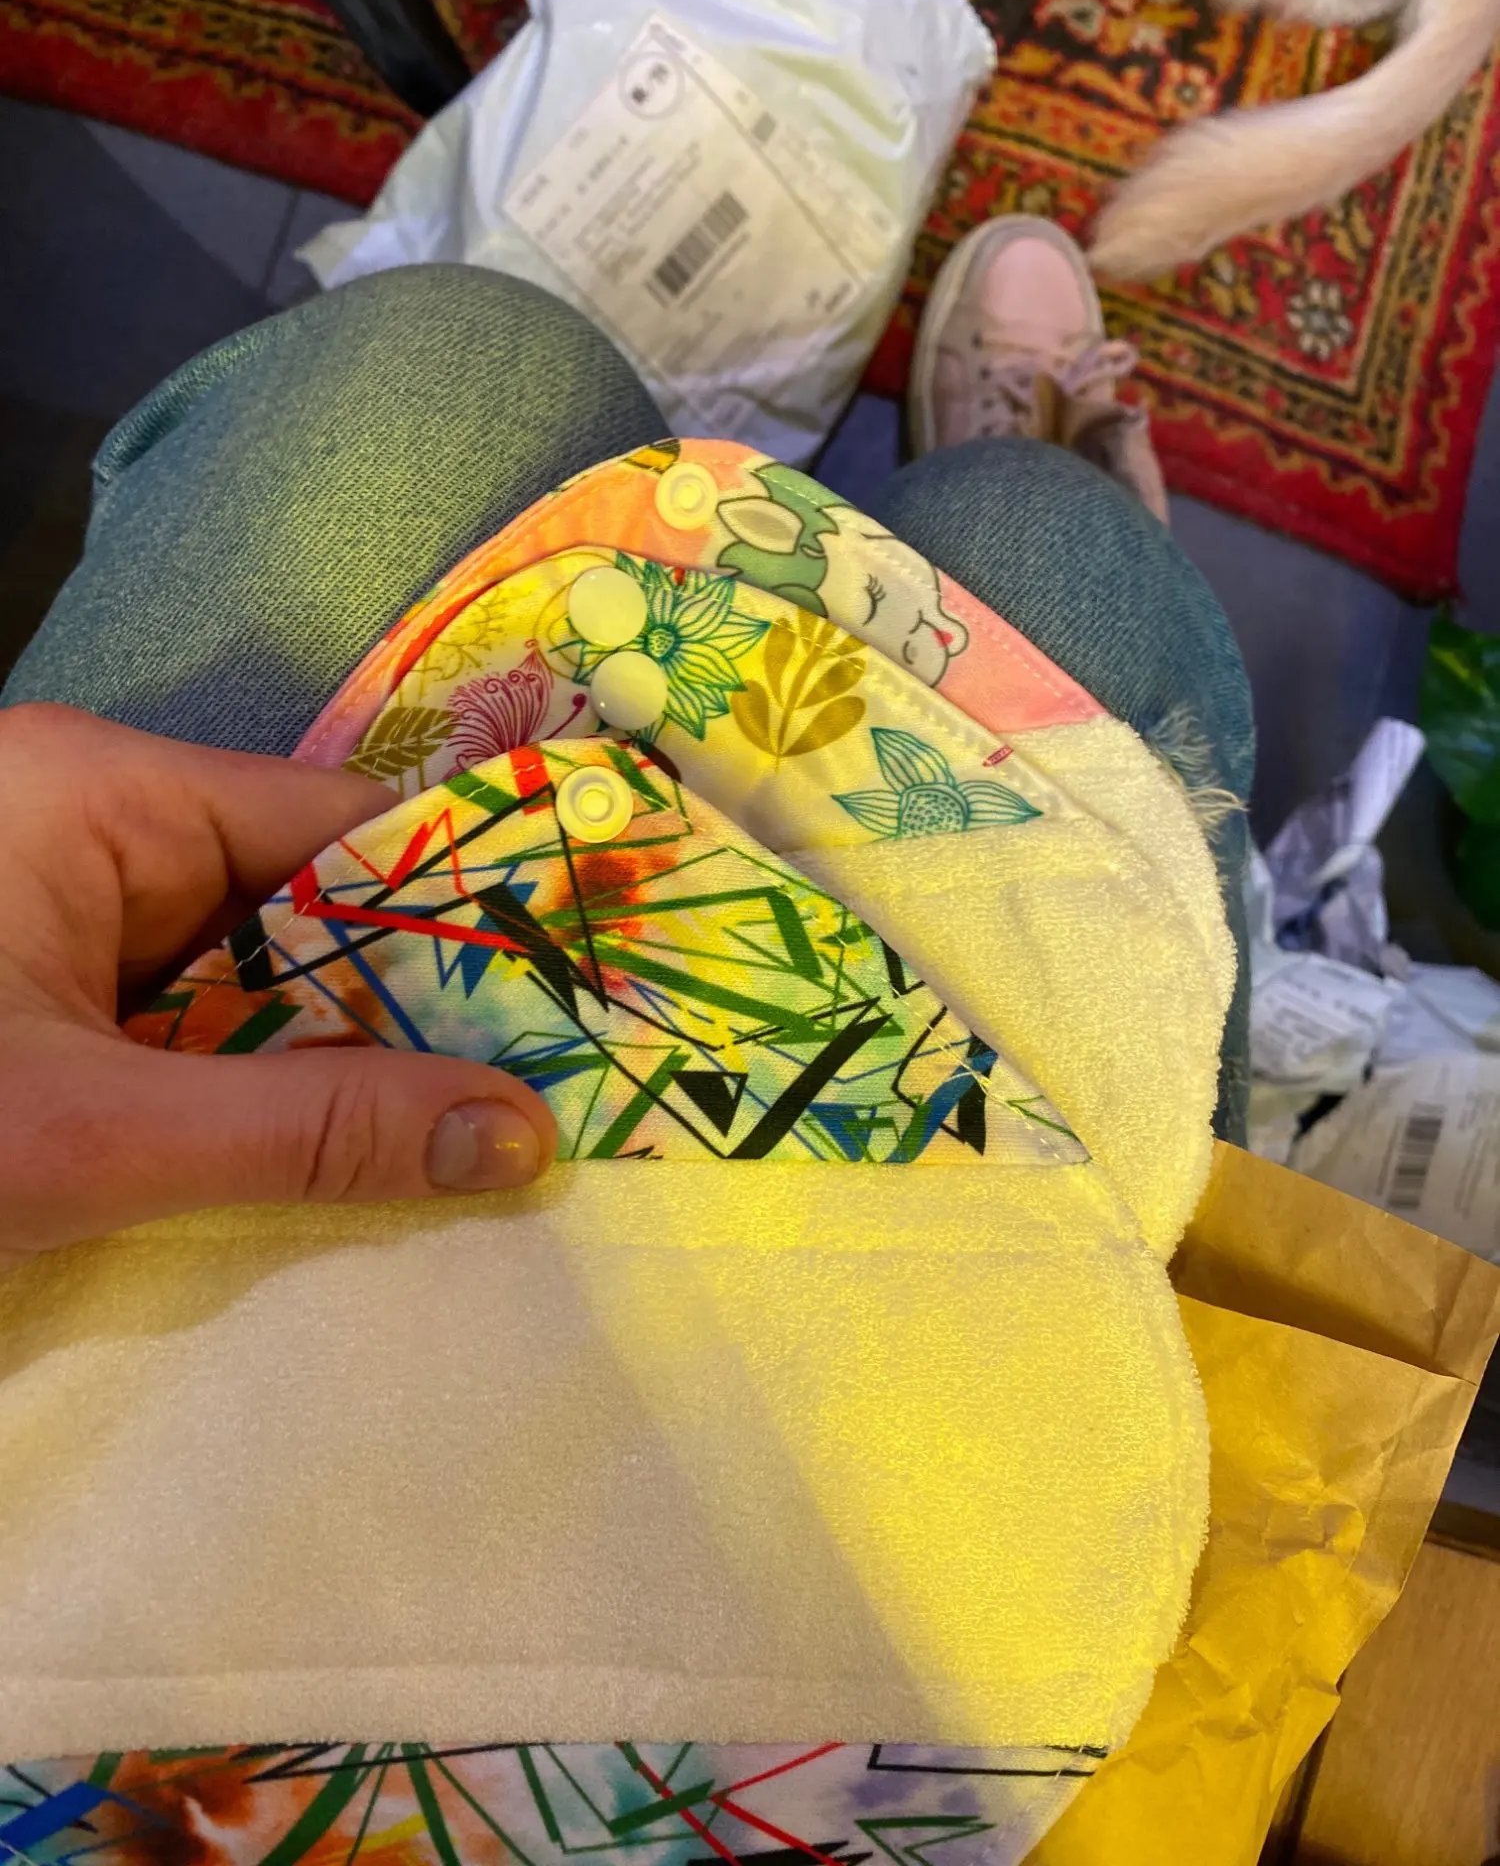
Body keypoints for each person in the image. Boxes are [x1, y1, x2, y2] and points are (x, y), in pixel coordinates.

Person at [0, 217, 1253, 1260]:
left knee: (450, 364)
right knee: (1050, 537)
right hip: (1056, 1205)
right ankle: (1038, 466)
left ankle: (989, 502)